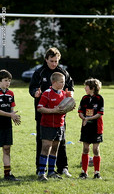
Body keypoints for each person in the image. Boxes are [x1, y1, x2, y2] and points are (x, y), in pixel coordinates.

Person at [29, 47, 74, 177]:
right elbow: (32, 88)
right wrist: (35, 93)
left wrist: (70, 95)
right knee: (42, 142)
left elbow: (70, 87)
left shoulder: (63, 72)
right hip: (43, 114)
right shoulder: (40, 72)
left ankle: (62, 168)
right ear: (46, 59)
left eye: (56, 61)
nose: (54, 64)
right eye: (52, 61)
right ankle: (40, 169)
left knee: (61, 141)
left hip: (60, 114)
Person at [37, 72, 70, 180]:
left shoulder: (63, 94)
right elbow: (40, 108)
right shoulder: (47, 93)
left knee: (55, 148)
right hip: (47, 125)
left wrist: (68, 108)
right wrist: (53, 110)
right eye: (61, 82)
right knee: (46, 147)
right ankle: (41, 173)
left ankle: (51, 172)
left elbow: (63, 109)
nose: (63, 84)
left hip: (59, 125)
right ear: (54, 82)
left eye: (64, 82)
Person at [78, 78, 104, 179]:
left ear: (92, 88)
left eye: (86, 86)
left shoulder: (99, 98)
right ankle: (84, 172)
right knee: (85, 148)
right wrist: (84, 118)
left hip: (96, 128)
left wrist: (88, 118)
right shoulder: (84, 98)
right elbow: (80, 112)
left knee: (95, 149)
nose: (85, 88)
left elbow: (99, 114)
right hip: (86, 127)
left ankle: (97, 172)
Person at [0, 69, 21, 181]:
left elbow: (12, 109)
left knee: (7, 148)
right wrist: (10, 115)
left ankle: (7, 174)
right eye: (5, 80)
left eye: (9, 81)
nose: (8, 83)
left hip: (7, 125)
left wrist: (14, 116)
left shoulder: (10, 93)